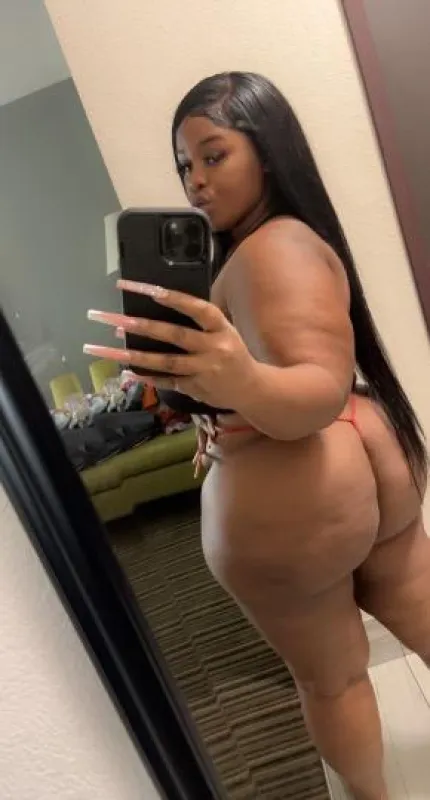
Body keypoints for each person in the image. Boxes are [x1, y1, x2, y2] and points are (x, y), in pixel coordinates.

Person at [84, 72, 430, 800]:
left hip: (300, 484)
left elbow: (315, 391)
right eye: (185, 164)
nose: (196, 181)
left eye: (215, 155)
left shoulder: (270, 249)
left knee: (334, 680)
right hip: (365, 449)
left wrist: (239, 385)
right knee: (419, 603)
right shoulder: (289, 242)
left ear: (268, 151)